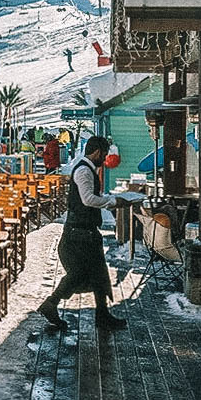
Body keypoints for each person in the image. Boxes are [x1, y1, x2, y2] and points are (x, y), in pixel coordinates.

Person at [36, 136, 127, 331]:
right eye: (103, 155)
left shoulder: (87, 169)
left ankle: (102, 314)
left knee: (99, 274)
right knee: (78, 274)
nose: (104, 159)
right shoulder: (84, 171)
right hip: (79, 233)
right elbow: (87, 200)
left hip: (85, 231)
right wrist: (112, 202)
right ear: (95, 152)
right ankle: (50, 304)